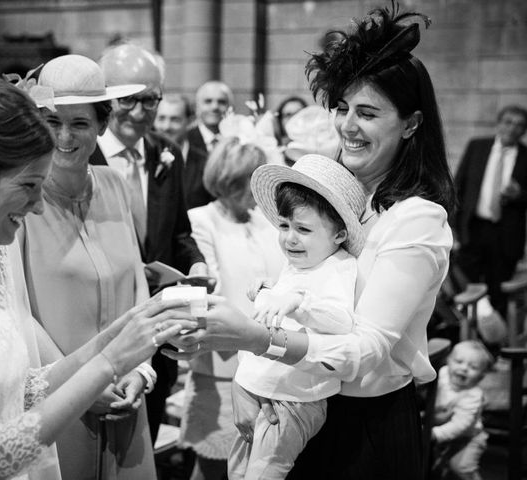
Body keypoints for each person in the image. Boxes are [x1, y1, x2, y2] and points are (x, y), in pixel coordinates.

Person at [165, 3, 456, 479]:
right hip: (302, 406)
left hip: (366, 426)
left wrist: (259, 340)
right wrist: (247, 374)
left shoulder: (417, 219)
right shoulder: (332, 197)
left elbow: (366, 352)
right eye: (342, 108)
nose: (347, 126)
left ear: (411, 123)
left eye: (367, 112)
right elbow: (287, 287)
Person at [0, 76, 196, 480]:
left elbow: (24, 389)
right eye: (29, 186)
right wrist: (107, 363)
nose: (37, 207)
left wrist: (128, 330)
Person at [16, 54, 157, 480]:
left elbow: (138, 284)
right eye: (52, 121)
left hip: (126, 396)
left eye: (79, 123)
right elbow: (18, 313)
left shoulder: (116, 185)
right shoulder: (19, 200)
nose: (64, 136)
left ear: (101, 126)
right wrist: (83, 384)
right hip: (58, 405)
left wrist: (139, 370)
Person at [89, 43, 207, 443]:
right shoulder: (80, 156)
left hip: (158, 326)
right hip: (98, 325)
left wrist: (196, 265)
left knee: (145, 442)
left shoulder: (166, 153)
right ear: (103, 98)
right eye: (128, 100)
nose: (140, 113)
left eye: (151, 100)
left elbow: (178, 231)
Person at [229, 154, 365, 480]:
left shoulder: (339, 266)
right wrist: (271, 290)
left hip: (293, 400)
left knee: (265, 473)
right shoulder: (300, 261)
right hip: (261, 386)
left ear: (340, 234)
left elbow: (340, 320)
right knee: (236, 472)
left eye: (303, 228)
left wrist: (296, 302)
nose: (290, 237)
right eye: (284, 225)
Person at [181, 137, 284, 480]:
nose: (255, 193)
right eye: (247, 183)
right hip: (221, 367)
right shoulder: (200, 220)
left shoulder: (265, 223)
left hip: (271, 362)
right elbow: (208, 293)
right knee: (218, 467)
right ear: (228, 182)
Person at [454, 104, 527, 315]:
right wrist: (453, 228)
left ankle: (495, 343)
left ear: (524, 131)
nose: (512, 128)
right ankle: (466, 337)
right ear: (499, 124)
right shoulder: (477, 147)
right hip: (473, 230)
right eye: (508, 122)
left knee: (499, 291)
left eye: (519, 125)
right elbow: (458, 187)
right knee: (467, 288)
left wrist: (520, 194)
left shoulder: (525, 156)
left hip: (505, 235)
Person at [431, 340, 493, 480]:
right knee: (440, 467)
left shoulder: (473, 395)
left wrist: (435, 433)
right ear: (448, 361)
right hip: (444, 431)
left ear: (481, 376)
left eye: (473, 367)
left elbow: (461, 425)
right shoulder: (443, 375)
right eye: (459, 361)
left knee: (462, 467)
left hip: (469, 438)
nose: (464, 368)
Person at [154, 94, 214, 208]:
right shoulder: (143, 157)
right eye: (161, 118)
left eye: (175, 120)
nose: (166, 126)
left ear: (190, 122)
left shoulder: (206, 164)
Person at [186, 81, 234, 155]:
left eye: (221, 102)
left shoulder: (238, 140)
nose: (215, 107)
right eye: (208, 101)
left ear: (231, 108)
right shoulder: (186, 140)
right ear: (197, 107)